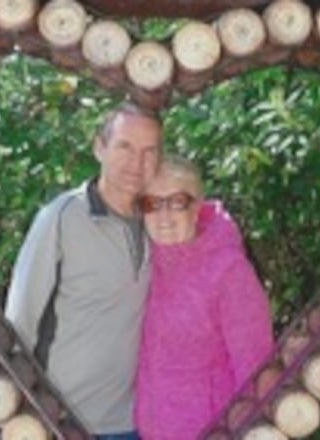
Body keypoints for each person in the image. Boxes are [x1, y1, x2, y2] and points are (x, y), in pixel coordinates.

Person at [5, 102, 162, 439]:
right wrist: (13, 415)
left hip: (130, 423)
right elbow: (19, 322)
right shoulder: (61, 217)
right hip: (59, 420)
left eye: (149, 151)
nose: (137, 163)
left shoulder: (160, 223)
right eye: (125, 147)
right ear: (99, 148)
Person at [134, 155, 274, 440]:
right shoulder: (142, 261)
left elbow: (256, 368)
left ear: (197, 205)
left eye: (177, 202)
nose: (164, 216)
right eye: (152, 203)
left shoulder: (229, 272)